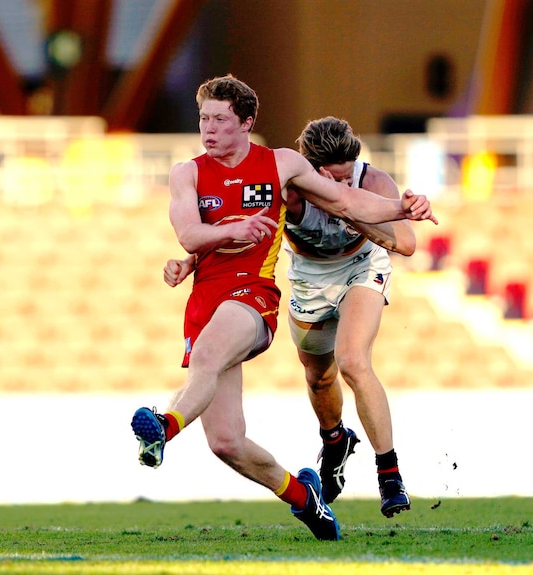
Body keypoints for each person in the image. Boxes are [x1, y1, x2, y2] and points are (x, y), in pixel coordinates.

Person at [130, 75, 437, 541]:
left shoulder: (280, 165)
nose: (207, 129)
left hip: (252, 295)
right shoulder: (187, 173)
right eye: (203, 119)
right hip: (209, 301)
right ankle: (303, 497)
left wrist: (402, 207)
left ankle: (163, 427)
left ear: (247, 122)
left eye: (219, 120)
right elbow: (190, 235)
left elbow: (345, 198)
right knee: (226, 442)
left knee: (217, 357)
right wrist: (195, 255)